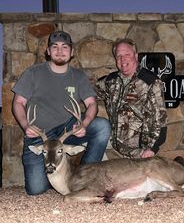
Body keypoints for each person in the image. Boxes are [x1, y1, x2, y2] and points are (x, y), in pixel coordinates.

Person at [12, 31, 111, 195]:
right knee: (36, 189)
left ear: (71, 53)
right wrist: (25, 125)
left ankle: (86, 177)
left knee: (102, 126)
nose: (60, 51)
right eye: (55, 46)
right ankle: (58, 175)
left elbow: (92, 104)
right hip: (39, 134)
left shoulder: (78, 76)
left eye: (65, 47)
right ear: (48, 51)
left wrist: (84, 124)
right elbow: (18, 102)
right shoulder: (33, 73)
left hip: (67, 131)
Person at [96, 38, 167, 159]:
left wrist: (152, 149)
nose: (123, 60)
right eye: (119, 56)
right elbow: (88, 90)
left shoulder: (151, 82)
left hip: (139, 153)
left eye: (127, 54)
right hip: (114, 148)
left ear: (136, 56)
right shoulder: (111, 81)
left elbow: (161, 121)